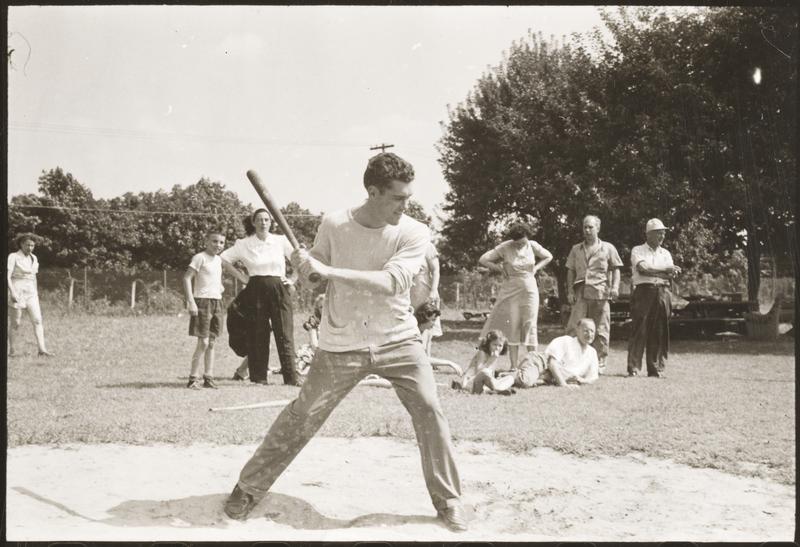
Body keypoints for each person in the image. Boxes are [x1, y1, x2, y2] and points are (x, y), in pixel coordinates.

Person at [223, 152, 467, 532]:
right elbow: (314, 279)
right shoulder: (334, 223)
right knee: (302, 414)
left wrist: (329, 270)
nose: (405, 205)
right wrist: (306, 269)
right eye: (398, 197)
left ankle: (448, 500)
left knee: (430, 409)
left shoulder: (414, 231)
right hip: (341, 341)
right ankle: (248, 488)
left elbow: (393, 282)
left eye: (408, 197)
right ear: (373, 191)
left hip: (398, 340)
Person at [221, 209, 301, 386]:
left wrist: (292, 279)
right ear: (253, 222)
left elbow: (300, 259)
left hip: (279, 288)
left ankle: (291, 378)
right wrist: (242, 277)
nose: (263, 223)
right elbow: (224, 259)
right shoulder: (244, 243)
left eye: (266, 220)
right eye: (259, 220)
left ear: (271, 223)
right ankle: (259, 378)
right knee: (258, 333)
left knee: (284, 332)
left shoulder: (280, 240)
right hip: (255, 289)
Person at [478, 221, 553, 370]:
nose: (519, 245)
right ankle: (513, 366)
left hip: (529, 289)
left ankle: (533, 365)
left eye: (522, 242)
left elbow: (548, 256)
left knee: (530, 324)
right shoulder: (505, 247)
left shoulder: (533, 245)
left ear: (527, 236)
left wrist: (536, 268)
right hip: (511, 289)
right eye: (517, 243)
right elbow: (483, 259)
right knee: (513, 325)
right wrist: (499, 269)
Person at [565, 215, 623, 375]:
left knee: (601, 330)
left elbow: (616, 269)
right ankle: (572, 361)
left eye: (590, 227)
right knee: (574, 328)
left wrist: (615, 287)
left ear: (598, 228)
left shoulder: (608, 248)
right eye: (585, 227)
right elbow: (570, 271)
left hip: (600, 293)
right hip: (580, 293)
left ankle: (599, 364)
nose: (587, 230)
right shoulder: (576, 249)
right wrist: (570, 291)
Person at [626, 218, 681, 378]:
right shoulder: (638, 250)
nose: (662, 236)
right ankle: (634, 367)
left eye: (663, 233)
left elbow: (670, 274)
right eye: (658, 233)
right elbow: (643, 269)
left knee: (659, 330)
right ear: (648, 234)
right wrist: (664, 270)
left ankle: (655, 368)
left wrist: (657, 271)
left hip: (663, 292)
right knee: (639, 329)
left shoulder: (666, 253)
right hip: (644, 291)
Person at [182, 230, 226, 389]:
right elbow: (187, 278)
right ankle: (193, 378)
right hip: (202, 302)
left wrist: (219, 287)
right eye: (214, 241)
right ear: (206, 241)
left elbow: (213, 278)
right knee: (203, 342)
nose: (218, 245)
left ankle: (208, 377)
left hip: (217, 302)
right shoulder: (199, 257)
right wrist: (191, 301)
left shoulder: (219, 260)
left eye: (221, 242)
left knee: (212, 342)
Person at [7, 233, 54, 357]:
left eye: (32, 245)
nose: (30, 248)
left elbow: (34, 277)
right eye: (27, 245)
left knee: (37, 320)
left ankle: (42, 350)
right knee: (16, 322)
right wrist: (12, 292)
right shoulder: (13, 257)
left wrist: (36, 292)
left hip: (31, 292)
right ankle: (12, 351)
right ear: (21, 244)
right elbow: (7, 276)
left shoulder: (34, 258)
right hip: (17, 290)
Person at [538, 318, 600, 388]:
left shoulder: (592, 352)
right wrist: (563, 384)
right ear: (577, 330)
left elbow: (592, 378)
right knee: (528, 380)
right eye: (586, 331)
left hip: (551, 379)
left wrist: (581, 380)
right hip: (539, 366)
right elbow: (552, 363)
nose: (589, 334)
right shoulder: (566, 341)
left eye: (592, 331)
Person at [451, 329, 516, 395]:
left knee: (510, 378)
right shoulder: (482, 353)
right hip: (472, 382)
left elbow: (490, 374)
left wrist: (498, 376)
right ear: (488, 344)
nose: (497, 348)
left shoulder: (495, 355)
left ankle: (496, 390)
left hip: (485, 384)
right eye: (494, 344)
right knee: (485, 372)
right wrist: (491, 360)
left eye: (500, 346)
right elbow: (479, 371)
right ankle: (496, 389)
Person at [410, 241, 443, 359]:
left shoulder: (427, 246)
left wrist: (433, 290)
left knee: (427, 324)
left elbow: (435, 270)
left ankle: (426, 357)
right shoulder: (404, 243)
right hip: (408, 292)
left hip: (424, 291)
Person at [415, 302, 462, 376]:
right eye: (433, 320)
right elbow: (419, 359)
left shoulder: (427, 332)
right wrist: (449, 363)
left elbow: (425, 357)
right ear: (424, 318)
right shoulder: (413, 334)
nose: (434, 324)